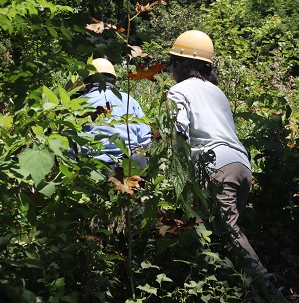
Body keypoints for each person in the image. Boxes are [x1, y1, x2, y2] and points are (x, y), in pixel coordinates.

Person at [166, 30, 278, 287]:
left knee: (228, 232)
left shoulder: (178, 90)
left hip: (216, 167)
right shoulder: (217, 92)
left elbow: (178, 135)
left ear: (181, 64)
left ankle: (268, 286)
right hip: (241, 165)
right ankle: (232, 292)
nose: (170, 69)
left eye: (172, 63)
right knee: (218, 234)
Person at [76, 58, 151, 170]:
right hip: (132, 164)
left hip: (97, 166)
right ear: (113, 80)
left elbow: (70, 141)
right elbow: (145, 138)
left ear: (87, 81)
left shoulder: (80, 102)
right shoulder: (129, 99)